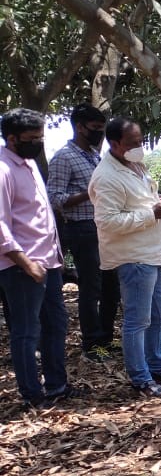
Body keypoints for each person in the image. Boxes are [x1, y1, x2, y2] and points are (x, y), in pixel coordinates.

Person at [89, 117, 161, 397]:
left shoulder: (134, 165)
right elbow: (107, 221)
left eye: (140, 141)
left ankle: (157, 365)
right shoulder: (106, 177)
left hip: (153, 252)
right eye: (132, 143)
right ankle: (141, 378)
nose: (139, 147)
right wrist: (151, 214)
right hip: (133, 257)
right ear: (115, 143)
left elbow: (140, 201)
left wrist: (158, 208)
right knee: (137, 319)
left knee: (160, 312)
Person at [0, 108, 74, 408]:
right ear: (13, 137)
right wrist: (26, 263)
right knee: (26, 332)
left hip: (49, 263)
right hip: (22, 267)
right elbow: (1, 224)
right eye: (32, 138)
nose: (38, 143)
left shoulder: (29, 164)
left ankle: (58, 385)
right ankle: (32, 394)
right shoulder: (3, 169)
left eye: (41, 137)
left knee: (56, 324)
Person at [46, 103, 120, 361]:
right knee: (92, 289)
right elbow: (54, 197)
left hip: (105, 228)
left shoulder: (93, 155)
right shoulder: (64, 157)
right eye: (95, 128)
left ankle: (107, 340)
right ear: (79, 127)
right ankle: (92, 345)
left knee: (112, 287)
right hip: (83, 229)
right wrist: (87, 194)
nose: (99, 133)